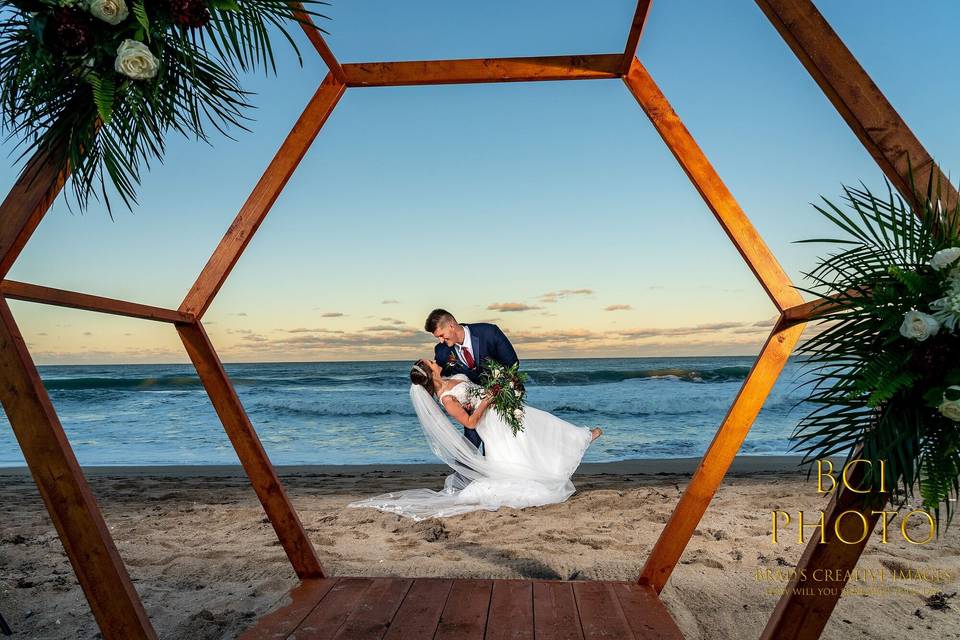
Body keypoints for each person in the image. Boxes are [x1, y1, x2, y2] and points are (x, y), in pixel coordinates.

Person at [347, 359, 602, 521]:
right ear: (429, 371)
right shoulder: (447, 398)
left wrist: (498, 386)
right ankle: (579, 440)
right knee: (524, 438)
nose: (434, 360)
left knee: (535, 429)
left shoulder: (450, 378)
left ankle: (574, 443)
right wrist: (489, 400)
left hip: (499, 410)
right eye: (430, 362)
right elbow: (469, 423)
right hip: (490, 420)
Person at [425, 308, 518, 452]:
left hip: (500, 399)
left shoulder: (489, 332)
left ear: (451, 325)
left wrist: (497, 389)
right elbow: (440, 380)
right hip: (473, 408)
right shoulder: (442, 351)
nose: (441, 340)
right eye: (438, 337)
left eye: (442, 335)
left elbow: (511, 363)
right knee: (470, 443)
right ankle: (465, 471)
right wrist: (458, 401)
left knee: (498, 443)